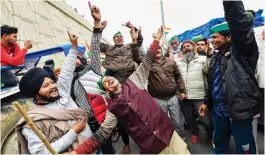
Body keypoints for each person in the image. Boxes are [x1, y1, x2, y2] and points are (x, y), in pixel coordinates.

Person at [71, 23, 190, 154]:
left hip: (169, 135)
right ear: (106, 90)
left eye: (107, 78)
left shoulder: (134, 81)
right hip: (151, 148)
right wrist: (77, 152)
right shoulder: (112, 109)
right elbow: (101, 135)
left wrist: (156, 38)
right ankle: (126, 144)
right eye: (104, 83)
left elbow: (147, 58)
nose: (107, 80)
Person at [16, 30, 94, 154]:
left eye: (52, 82)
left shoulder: (61, 92)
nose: (53, 86)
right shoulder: (32, 121)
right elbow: (41, 153)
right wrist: (73, 132)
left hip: (93, 146)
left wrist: (73, 46)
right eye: (46, 85)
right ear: (35, 93)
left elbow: (67, 70)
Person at [199, 1, 260, 154]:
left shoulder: (243, 53)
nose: (211, 40)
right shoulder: (215, 57)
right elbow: (213, 83)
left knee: (245, 150)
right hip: (219, 113)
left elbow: (239, 25)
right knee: (219, 147)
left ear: (228, 37)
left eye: (215, 37)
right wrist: (207, 103)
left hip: (238, 112)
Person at [70, 5, 118, 153]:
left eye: (77, 58)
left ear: (83, 60)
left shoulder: (94, 69)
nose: (74, 61)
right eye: (71, 59)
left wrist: (96, 25)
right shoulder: (72, 82)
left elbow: (95, 48)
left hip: (102, 121)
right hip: (85, 125)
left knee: (108, 150)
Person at [177, 40, 213, 144]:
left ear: (194, 47)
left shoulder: (203, 59)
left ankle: (210, 135)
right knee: (189, 119)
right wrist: (178, 92)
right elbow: (175, 78)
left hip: (200, 96)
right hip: (184, 97)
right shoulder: (178, 62)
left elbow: (209, 72)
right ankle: (195, 133)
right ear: (182, 50)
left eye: (189, 46)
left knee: (207, 121)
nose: (186, 48)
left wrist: (209, 57)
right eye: (184, 47)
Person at [148, 46, 186, 132]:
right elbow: (137, 58)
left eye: (159, 48)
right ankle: (168, 140)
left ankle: (181, 139)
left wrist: (182, 91)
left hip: (173, 97)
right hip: (158, 99)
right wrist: (135, 41)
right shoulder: (148, 64)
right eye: (154, 49)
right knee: (163, 122)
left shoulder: (171, 62)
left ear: (162, 50)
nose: (157, 50)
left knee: (178, 122)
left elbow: (178, 77)